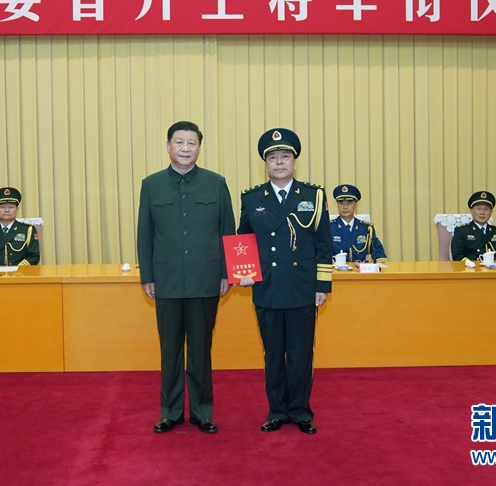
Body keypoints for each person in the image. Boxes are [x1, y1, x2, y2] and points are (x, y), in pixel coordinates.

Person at [136, 121, 236, 435]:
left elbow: (228, 230)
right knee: (170, 350)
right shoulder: (152, 184)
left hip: (206, 279)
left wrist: (227, 272)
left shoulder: (215, 183)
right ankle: (171, 412)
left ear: (199, 148)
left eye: (191, 143)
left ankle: (202, 412)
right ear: (168, 146)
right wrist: (147, 275)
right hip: (165, 280)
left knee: (200, 350)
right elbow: (144, 234)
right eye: (179, 142)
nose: (185, 148)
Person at [237, 128, 332, 435]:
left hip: (302, 287)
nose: (279, 162)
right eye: (273, 158)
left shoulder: (313, 196)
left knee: (301, 354)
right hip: (267, 287)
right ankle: (277, 410)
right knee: (274, 355)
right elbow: (243, 240)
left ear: (294, 162)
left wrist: (322, 285)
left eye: (285, 157)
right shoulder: (252, 198)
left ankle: (301, 411)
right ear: (265, 164)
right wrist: (242, 272)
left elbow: (323, 243)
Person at [0, 187, 40, 267]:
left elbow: (34, 256)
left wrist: (19, 268)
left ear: (17, 209)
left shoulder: (28, 230)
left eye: (11, 207)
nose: (6, 210)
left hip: (19, 272)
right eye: (2, 207)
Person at [450, 191, 496, 262]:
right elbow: (457, 255)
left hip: (493, 268)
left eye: (486, 209)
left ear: (491, 212)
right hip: (470, 267)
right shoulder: (462, 231)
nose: (482, 213)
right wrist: (470, 264)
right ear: (471, 211)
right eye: (479, 209)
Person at [330, 184, 387, 264]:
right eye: (341, 203)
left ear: (356, 205)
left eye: (349, 203)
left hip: (360, 269)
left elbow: (378, 250)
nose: (345, 207)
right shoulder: (329, 228)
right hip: (337, 270)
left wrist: (380, 264)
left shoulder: (366, 228)